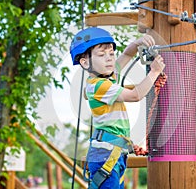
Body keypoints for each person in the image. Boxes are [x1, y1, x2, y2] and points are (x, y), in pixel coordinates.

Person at [70, 27, 165, 188]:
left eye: (111, 54)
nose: (109, 59)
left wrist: (137, 43)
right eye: (101, 55)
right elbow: (135, 95)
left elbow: (127, 54)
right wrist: (154, 72)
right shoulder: (98, 85)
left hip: (113, 153)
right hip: (105, 154)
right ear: (85, 62)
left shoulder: (108, 78)